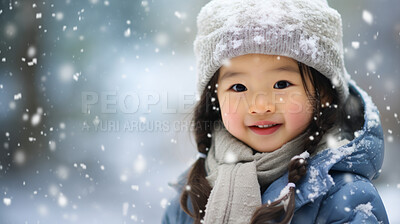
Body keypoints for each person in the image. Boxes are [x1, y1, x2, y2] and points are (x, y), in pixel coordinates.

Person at [162, 0, 389, 223]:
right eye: (239, 87)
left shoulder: (344, 200)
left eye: (281, 84)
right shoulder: (191, 198)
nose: (260, 106)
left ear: (324, 95)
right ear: (216, 100)